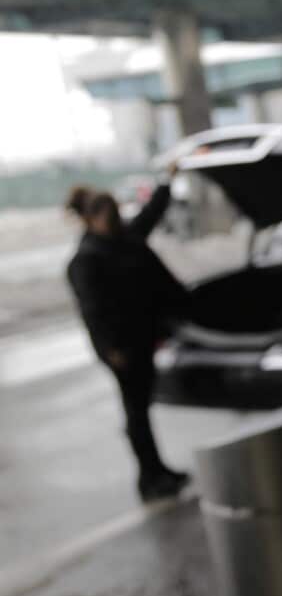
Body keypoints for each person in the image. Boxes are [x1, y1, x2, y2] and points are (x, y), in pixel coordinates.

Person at [65, 168, 192, 501]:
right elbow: (93, 312)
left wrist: (167, 181)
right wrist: (111, 349)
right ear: (91, 219)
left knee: (141, 408)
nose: (113, 220)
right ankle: (149, 478)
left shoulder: (124, 241)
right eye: (107, 216)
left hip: (142, 337)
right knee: (136, 411)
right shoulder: (86, 260)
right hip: (121, 348)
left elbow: (152, 213)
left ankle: (158, 471)